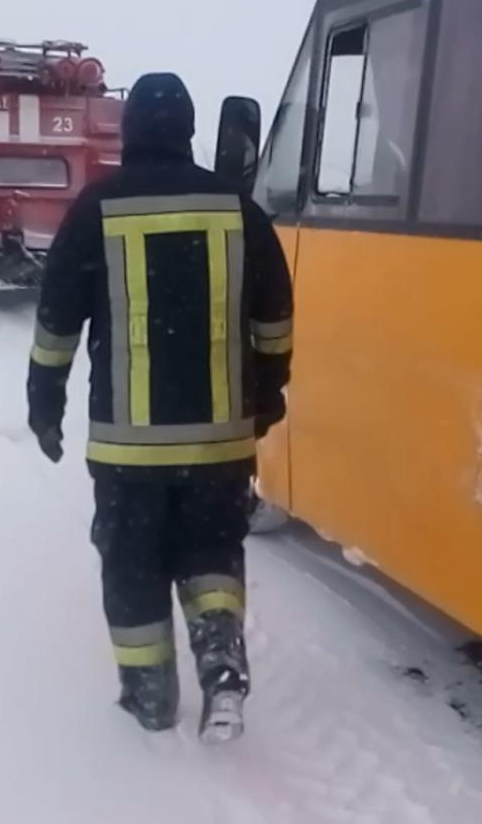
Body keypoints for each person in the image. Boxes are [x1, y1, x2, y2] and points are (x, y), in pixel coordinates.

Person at [26, 73, 294, 743]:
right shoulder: (240, 209)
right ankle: (221, 658)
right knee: (210, 548)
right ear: (189, 131)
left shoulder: (96, 209)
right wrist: (267, 392)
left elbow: (56, 321)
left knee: (133, 563)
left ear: (130, 130)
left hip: (128, 449)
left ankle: (149, 699)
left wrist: (45, 403)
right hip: (221, 442)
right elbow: (276, 317)